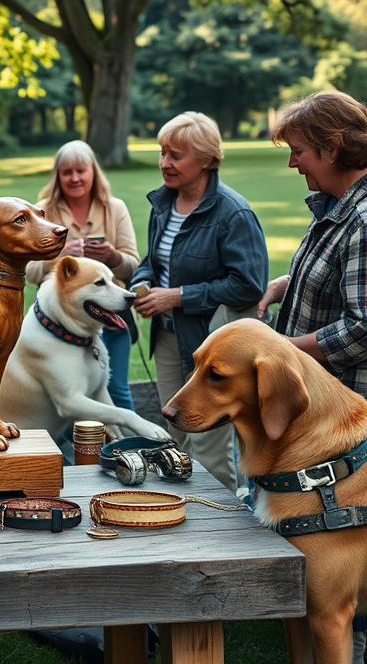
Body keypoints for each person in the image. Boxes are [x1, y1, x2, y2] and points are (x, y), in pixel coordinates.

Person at [257, 91, 367, 664]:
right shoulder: (341, 204)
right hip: (325, 423)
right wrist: (288, 283)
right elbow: (344, 276)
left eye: (299, 150)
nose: (292, 163)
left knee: (342, 561)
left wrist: (286, 352)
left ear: (332, 148)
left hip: (350, 422)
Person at [131, 111, 268, 493]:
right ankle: (183, 515)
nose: (165, 163)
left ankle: (221, 518)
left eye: (176, 155)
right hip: (167, 339)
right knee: (175, 438)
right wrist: (142, 282)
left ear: (206, 159)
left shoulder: (233, 213)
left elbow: (249, 285)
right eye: (162, 153)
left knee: (209, 450)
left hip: (212, 348)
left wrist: (177, 297)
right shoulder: (163, 204)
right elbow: (154, 261)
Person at [26, 139, 140, 411]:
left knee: (116, 390)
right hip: (61, 324)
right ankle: (79, 442)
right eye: (67, 172)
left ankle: (125, 440)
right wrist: (59, 255)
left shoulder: (115, 208)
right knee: (69, 396)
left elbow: (132, 265)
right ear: (58, 176)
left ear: (93, 172)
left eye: (81, 171)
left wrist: (111, 257)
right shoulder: (43, 211)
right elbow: (28, 271)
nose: (75, 178)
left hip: (111, 315)